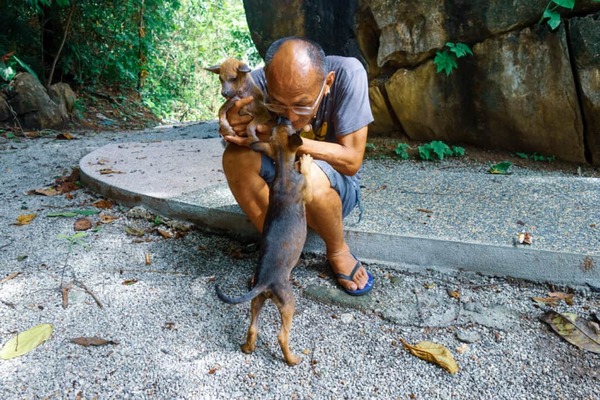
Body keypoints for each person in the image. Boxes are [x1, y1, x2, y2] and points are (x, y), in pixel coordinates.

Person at [221, 36, 374, 295]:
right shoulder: (257, 82)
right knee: (235, 157)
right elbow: (236, 128)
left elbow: (351, 161)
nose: (290, 116)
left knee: (307, 171)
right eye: (278, 103)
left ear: (327, 84)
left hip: (333, 189)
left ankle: (338, 249)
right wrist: (232, 122)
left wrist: (286, 139)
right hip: (281, 187)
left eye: (302, 106)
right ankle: (280, 251)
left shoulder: (349, 74)